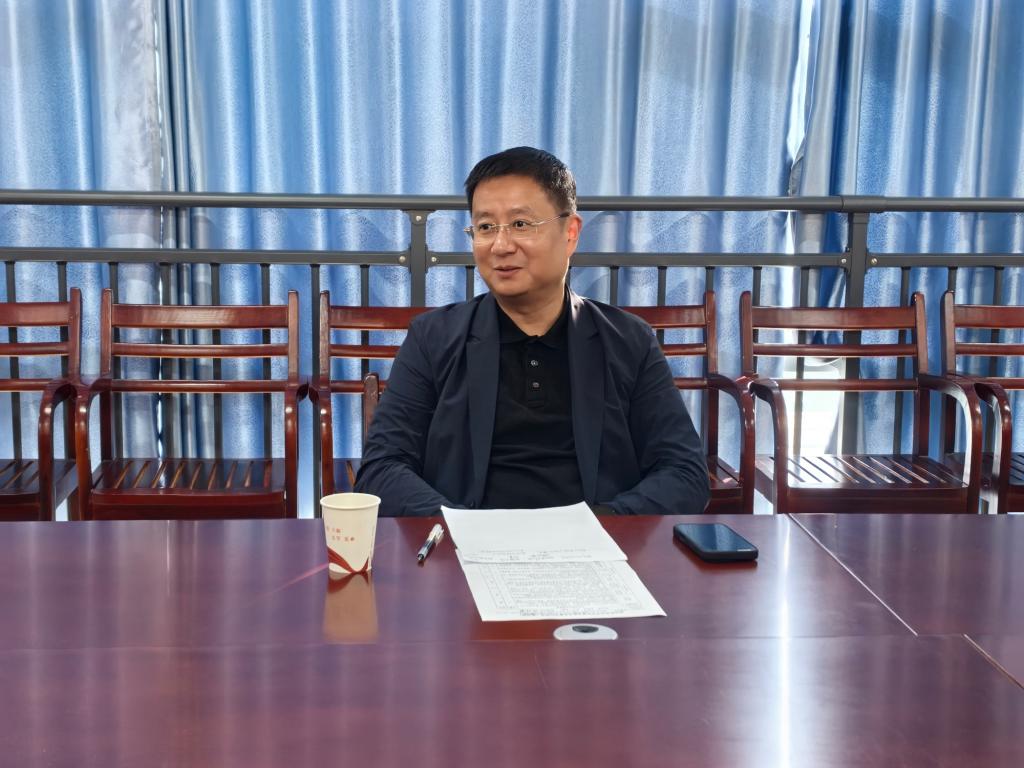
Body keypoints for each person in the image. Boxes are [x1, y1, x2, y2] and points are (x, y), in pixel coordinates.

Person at [355, 146, 709, 516]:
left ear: (570, 232)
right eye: (485, 227)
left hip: (593, 543)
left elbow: (684, 473)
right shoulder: (433, 338)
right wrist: (460, 526)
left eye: (521, 224)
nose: (500, 245)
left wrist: (601, 525)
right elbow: (382, 468)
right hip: (467, 543)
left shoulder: (629, 340)